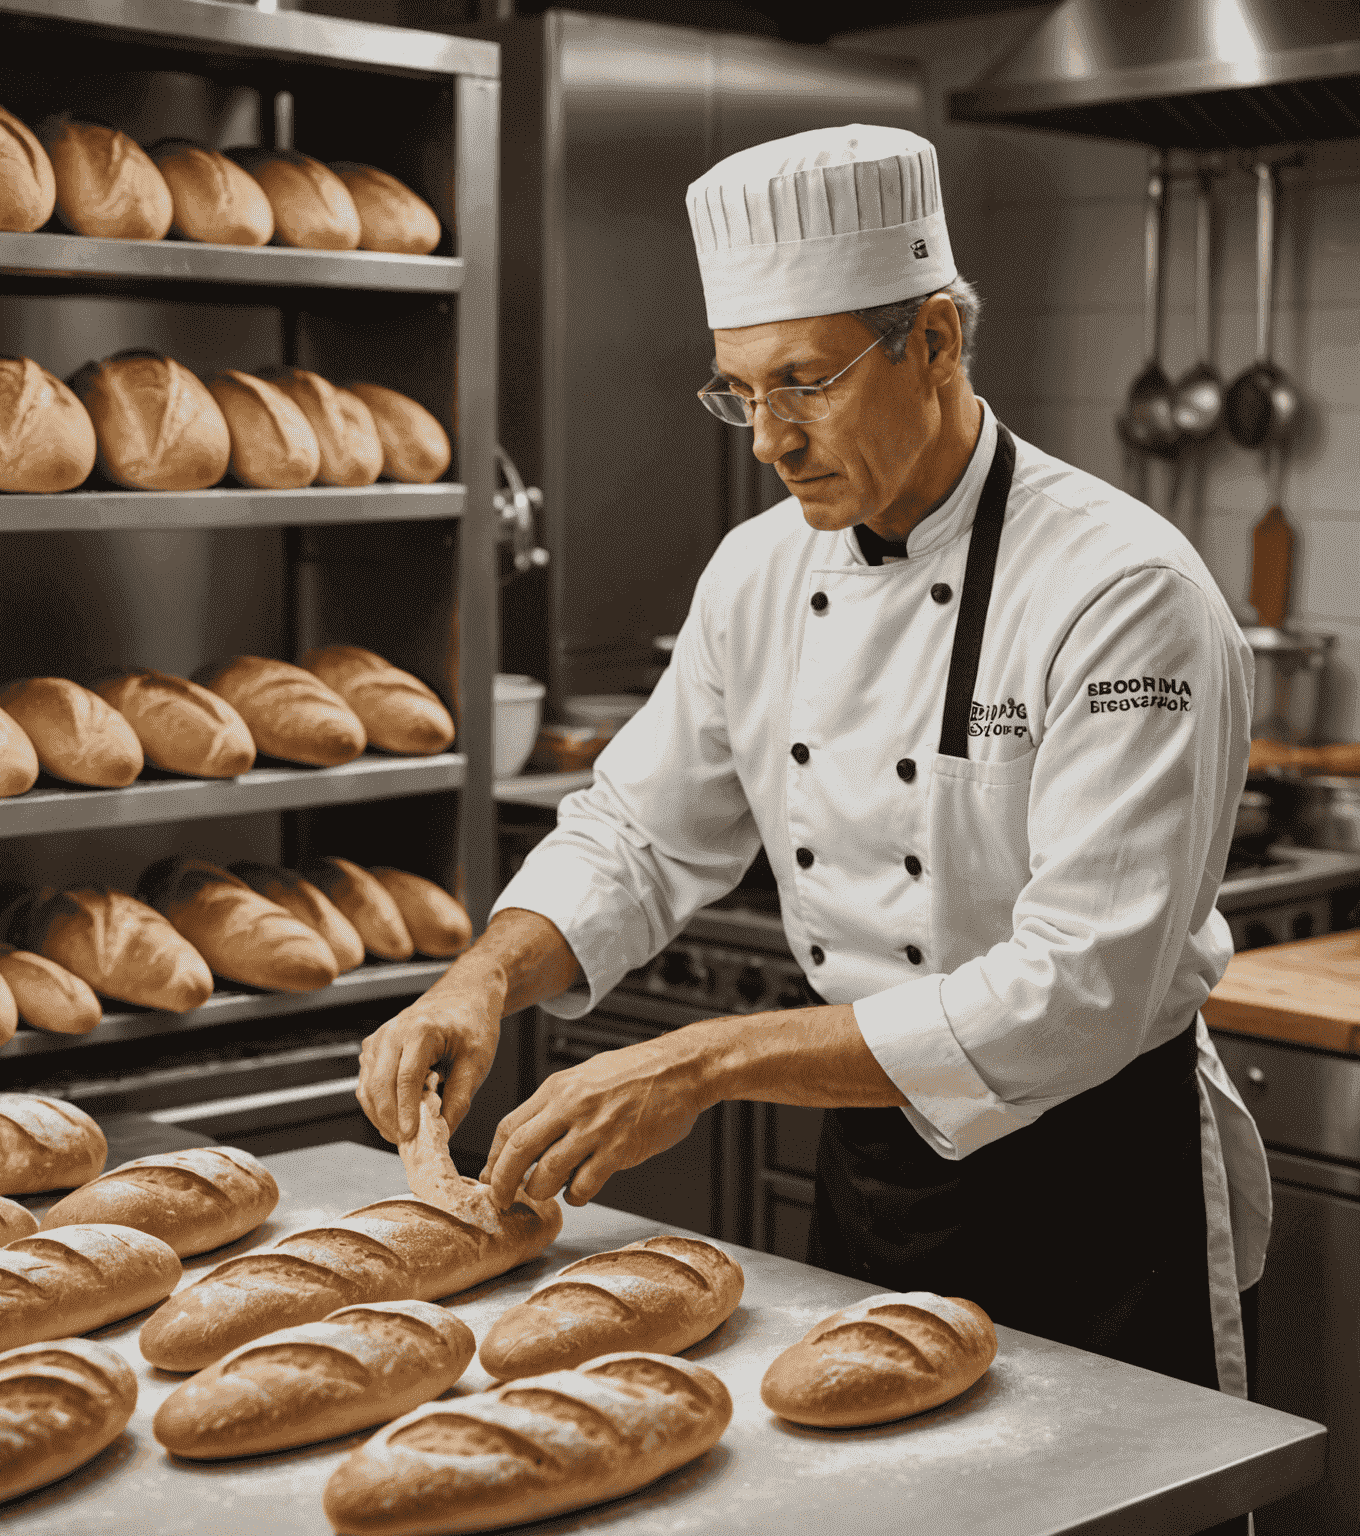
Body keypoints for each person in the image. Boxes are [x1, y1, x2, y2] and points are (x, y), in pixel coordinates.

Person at [357, 124, 1269, 1433]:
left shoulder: (1122, 592)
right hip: (873, 1154)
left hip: (1091, 1180)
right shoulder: (758, 570)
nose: (770, 439)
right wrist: (485, 972)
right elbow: (640, 833)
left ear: (938, 342)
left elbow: (1085, 986)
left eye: (806, 380)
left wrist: (708, 1060)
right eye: (739, 391)